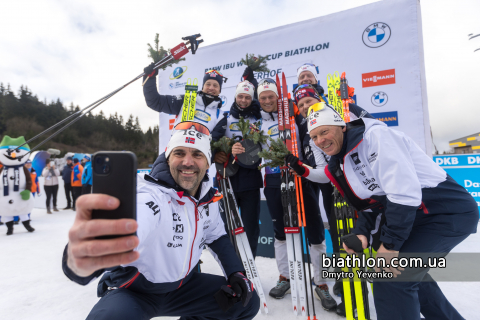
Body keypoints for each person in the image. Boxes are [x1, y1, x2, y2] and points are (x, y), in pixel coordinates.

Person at [62, 124, 260, 320]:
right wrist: (88, 251)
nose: (188, 162)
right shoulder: (151, 194)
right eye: (179, 153)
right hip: (136, 291)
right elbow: (139, 219)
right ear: (168, 158)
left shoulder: (208, 197)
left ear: (208, 162)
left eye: (197, 155)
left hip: (184, 289)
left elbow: (216, 236)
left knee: (245, 303)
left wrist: (235, 272)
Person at [307, 103, 479, 320]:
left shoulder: (375, 137)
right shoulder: (342, 160)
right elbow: (372, 204)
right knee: (410, 277)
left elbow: (403, 194)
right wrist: (361, 233)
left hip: (445, 212)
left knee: (390, 277)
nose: (320, 140)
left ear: (342, 126)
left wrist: (390, 245)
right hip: (416, 217)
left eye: (324, 131)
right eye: (314, 137)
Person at [211, 80, 263, 257]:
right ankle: (233, 270)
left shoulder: (259, 118)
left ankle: (250, 272)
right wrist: (219, 152)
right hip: (228, 180)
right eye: (240, 96)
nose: (243, 100)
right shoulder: (225, 118)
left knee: (251, 228)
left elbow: (264, 146)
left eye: (247, 97)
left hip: (251, 182)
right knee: (227, 228)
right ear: (235, 97)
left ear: (252, 98)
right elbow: (211, 143)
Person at [143, 64, 226, 133]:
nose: (211, 88)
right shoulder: (185, 100)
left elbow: (215, 141)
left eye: (215, 85)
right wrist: (150, 78)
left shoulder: (221, 116)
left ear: (220, 90)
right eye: (208, 84)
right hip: (177, 149)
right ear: (203, 87)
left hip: (200, 152)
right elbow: (155, 102)